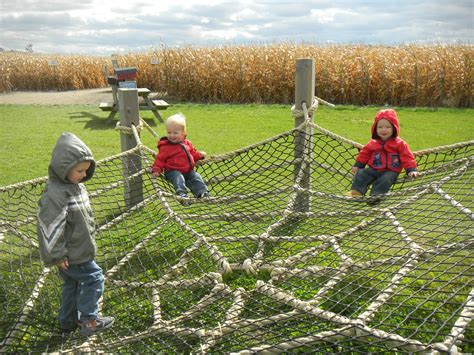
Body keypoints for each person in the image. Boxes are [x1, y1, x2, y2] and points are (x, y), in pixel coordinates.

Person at [36, 132, 114, 337]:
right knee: (94, 278)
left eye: (85, 170)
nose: (83, 175)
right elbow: (50, 226)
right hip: (72, 255)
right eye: (79, 170)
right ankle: (89, 319)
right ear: (64, 168)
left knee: (71, 285)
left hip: (77, 251)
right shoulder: (56, 194)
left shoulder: (75, 187)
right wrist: (57, 255)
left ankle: (67, 322)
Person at [346, 108, 418, 201]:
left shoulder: (400, 144)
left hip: (391, 171)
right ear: (375, 129)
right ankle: (356, 192)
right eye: (380, 127)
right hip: (374, 169)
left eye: (388, 127)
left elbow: (407, 157)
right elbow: (364, 154)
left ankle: (376, 197)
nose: (383, 130)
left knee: (385, 180)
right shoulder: (373, 143)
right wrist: (359, 165)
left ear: (394, 128)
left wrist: (411, 169)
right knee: (361, 174)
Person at [151, 113, 210, 198]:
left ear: (183, 133)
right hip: (172, 172)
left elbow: (192, 154)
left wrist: (200, 155)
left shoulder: (187, 143)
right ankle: (182, 194)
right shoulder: (165, 147)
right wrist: (156, 169)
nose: (171, 135)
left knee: (196, 177)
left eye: (175, 133)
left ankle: (202, 192)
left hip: (188, 171)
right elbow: (160, 160)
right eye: (169, 132)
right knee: (178, 178)